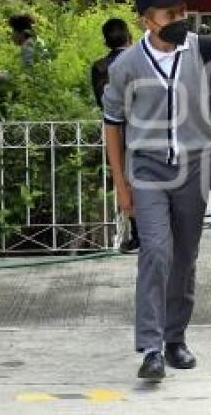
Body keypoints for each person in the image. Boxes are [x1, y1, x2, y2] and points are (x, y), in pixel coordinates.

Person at [102, 0, 211, 382]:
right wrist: (120, 184)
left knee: (185, 256)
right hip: (147, 168)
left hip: (194, 169)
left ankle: (175, 337)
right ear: (147, 20)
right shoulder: (125, 66)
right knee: (156, 252)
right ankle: (150, 347)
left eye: (183, 11)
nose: (181, 18)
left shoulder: (204, 51)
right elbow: (112, 124)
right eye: (170, 13)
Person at [90, 18, 140, 253]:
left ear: (105, 40)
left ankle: (137, 232)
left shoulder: (99, 66)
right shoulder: (140, 60)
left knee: (124, 179)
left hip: (114, 130)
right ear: (129, 35)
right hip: (142, 127)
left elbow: (102, 103)